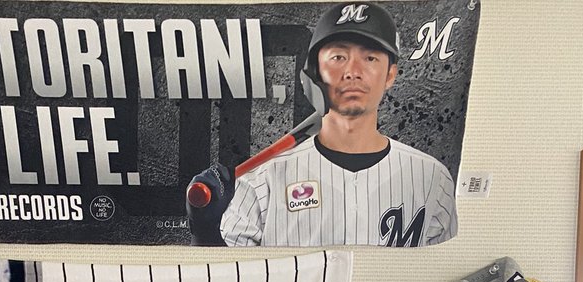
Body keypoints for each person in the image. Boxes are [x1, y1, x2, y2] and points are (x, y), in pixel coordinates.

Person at [187, 2, 457, 249]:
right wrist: (205, 233)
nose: (353, 71)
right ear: (315, 72)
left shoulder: (432, 178)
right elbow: (225, 277)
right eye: (338, 57)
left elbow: (445, 271)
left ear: (390, 75)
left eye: (370, 58)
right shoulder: (261, 181)